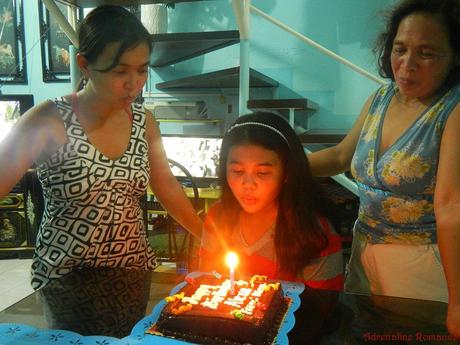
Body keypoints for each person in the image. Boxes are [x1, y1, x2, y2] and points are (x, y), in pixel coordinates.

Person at [0, 5, 202, 290]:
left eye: (142, 70)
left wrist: (206, 235)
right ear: (84, 64)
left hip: (132, 274)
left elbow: (166, 186)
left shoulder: (144, 122)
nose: (134, 84)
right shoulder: (48, 119)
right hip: (65, 281)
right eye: (120, 71)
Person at [307, 0, 460, 337]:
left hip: (422, 265)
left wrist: (458, 302)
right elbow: (339, 157)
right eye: (400, 49)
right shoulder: (381, 97)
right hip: (364, 253)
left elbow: (450, 207)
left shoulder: (453, 110)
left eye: (427, 53)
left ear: (454, 58)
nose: (407, 64)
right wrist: (279, 162)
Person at [199, 112, 343, 291]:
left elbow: (322, 309)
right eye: (237, 171)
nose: (248, 184)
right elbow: (206, 283)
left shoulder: (313, 235)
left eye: (263, 173)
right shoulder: (218, 217)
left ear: (286, 173)